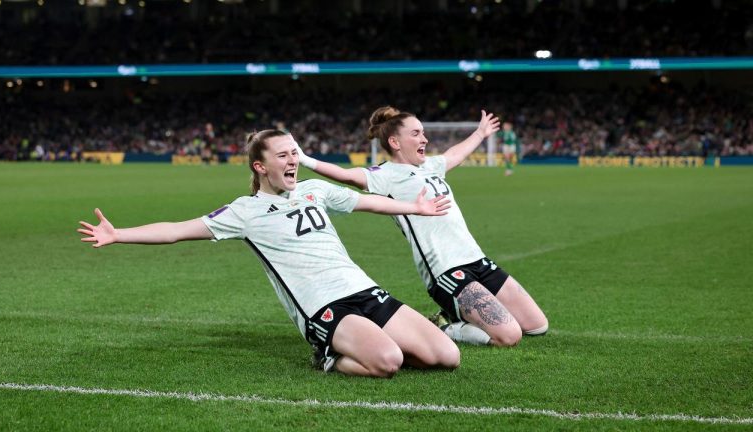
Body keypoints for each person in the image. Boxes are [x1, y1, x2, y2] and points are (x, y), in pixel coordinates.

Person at [77, 129, 461, 378]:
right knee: (388, 362)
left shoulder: (315, 190)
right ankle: (328, 355)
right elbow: (177, 231)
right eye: (282, 156)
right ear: (261, 166)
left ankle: (372, 339)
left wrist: (416, 208)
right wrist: (119, 234)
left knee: (446, 356)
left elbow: (369, 203)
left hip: (364, 290)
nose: (292, 160)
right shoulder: (245, 212)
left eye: (293, 154)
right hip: (325, 307)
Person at [296, 107, 548, 347]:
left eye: (423, 132)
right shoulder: (384, 175)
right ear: (395, 142)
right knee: (509, 335)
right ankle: (444, 327)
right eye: (416, 134)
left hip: (477, 260)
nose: (424, 138)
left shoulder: (431, 166)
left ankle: (458, 314)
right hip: (447, 271)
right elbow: (345, 174)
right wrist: (305, 159)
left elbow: (454, 154)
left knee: (537, 326)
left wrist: (480, 133)